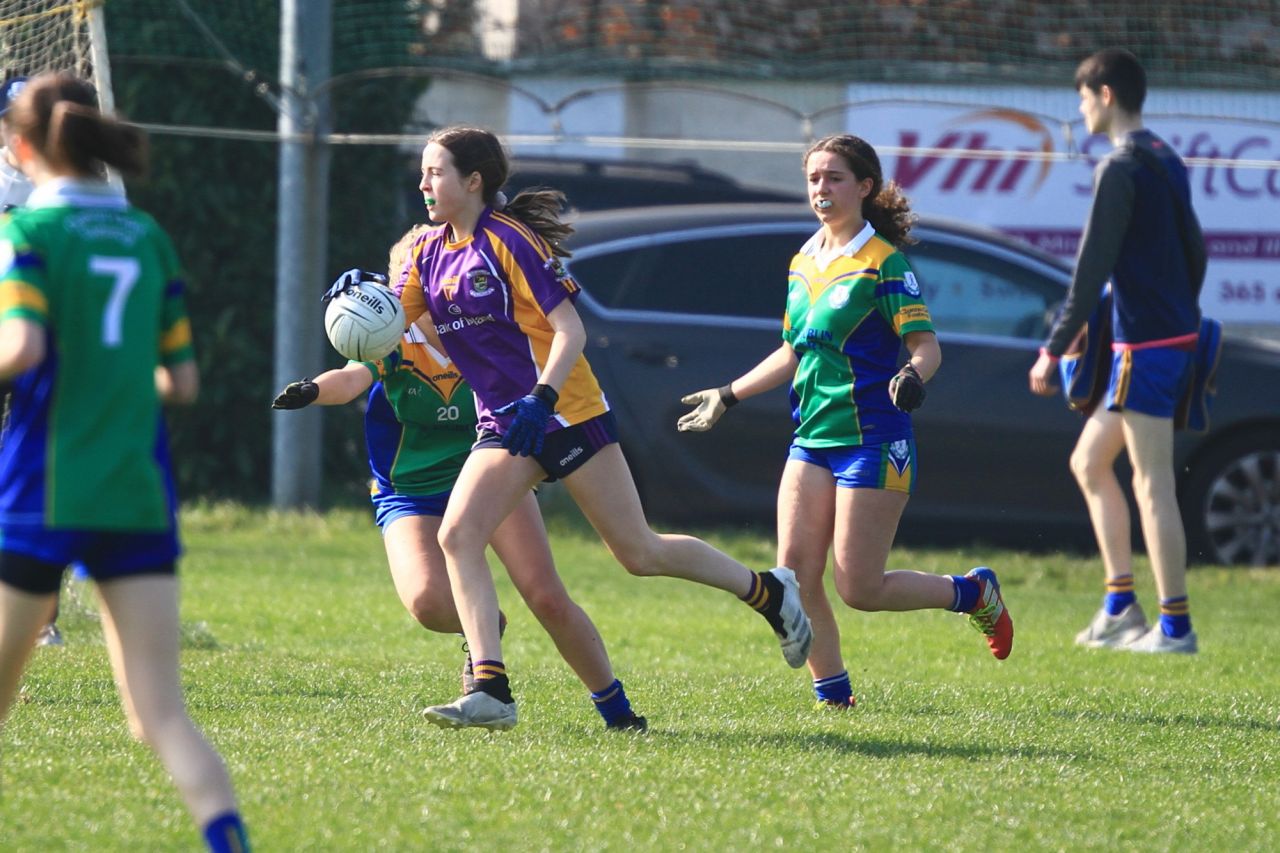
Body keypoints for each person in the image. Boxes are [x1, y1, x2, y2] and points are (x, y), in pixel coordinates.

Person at [392, 126, 813, 731]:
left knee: (639, 552)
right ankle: (491, 687)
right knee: (459, 535)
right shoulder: (429, 252)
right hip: (507, 424)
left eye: (436, 172)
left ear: (473, 181)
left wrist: (541, 398)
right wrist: (354, 309)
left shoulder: (508, 240)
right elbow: (391, 324)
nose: (425, 183)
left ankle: (768, 591)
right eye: (424, 173)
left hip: (564, 409)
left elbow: (571, 331)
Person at [0, 73, 250, 852]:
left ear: (22, 145)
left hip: (44, 491)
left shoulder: (28, 234)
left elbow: (22, 347)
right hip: (137, 493)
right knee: (160, 715)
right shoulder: (150, 238)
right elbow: (181, 380)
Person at [679, 134, 1015, 710]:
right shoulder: (803, 260)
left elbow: (927, 347)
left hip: (875, 439)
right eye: (813, 178)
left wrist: (913, 375)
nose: (821, 189)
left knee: (859, 587)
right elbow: (793, 352)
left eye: (834, 178)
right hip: (810, 438)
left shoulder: (884, 263)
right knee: (795, 577)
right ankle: (834, 699)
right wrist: (728, 395)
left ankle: (971, 592)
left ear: (863, 187)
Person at [272, 227, 646, 732]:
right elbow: (353, 377)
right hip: (410, 486)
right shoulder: (388, 334)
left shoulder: (479, 330)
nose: (413, 280)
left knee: (547, 595)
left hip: (490, 470)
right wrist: (311, 390)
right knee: (427, 602)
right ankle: (485, 629)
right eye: (404, 273)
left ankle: (618, 713)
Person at [1029, 48, 1205, 655]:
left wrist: (1054, 350)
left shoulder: (1120, 167)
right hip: (1168, 337)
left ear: (1104, 94)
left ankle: (1176, 628)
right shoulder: (1164, 156)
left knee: (1153, 484)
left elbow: (1089, 267)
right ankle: (1120, 606)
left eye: (1082, 98)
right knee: (1089, 462)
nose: (1080, 110)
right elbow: (1196, 250)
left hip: (1148, 348)